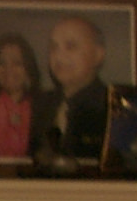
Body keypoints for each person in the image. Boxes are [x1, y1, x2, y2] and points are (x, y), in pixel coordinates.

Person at [31, 15, 111, 166]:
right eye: (54, 48)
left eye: (71, 47)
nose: (59, 56)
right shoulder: (40, 103)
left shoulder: (111, 107)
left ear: (98, 55)